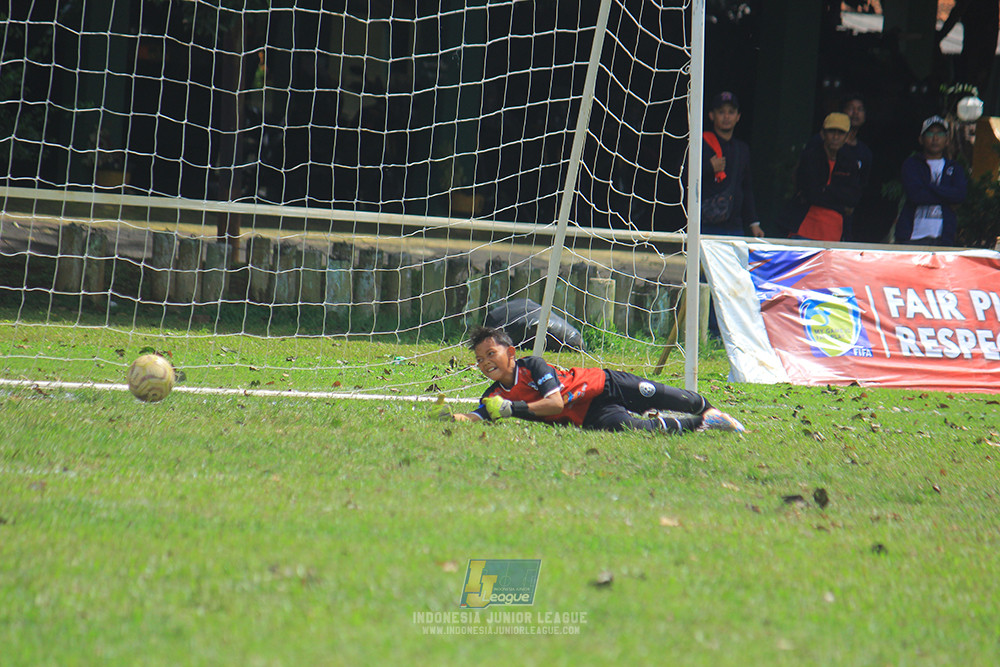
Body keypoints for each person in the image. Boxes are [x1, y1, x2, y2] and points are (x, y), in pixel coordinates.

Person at [430, 326, 745, 434]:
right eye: (480, 360)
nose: (485, 363)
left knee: (673, 397)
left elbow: (554, 403)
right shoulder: (493, 395)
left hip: (604, 383)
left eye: (491, 354)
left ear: (511, 352)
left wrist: (514, 410)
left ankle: (708, 409)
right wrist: (450, 417)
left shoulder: (534, 366)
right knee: (636, 430)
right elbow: (478, 415)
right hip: (589, 415)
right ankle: (706, 424)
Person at [785, 112, 862, 242]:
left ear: (847, 137)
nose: (835, 137)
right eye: (831, 132)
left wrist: (825, 190)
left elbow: (853, 198)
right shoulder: (810, 157)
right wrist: (839, 198)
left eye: (840, 133)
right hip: (804, 229)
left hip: (835, 232)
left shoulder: (851, 163)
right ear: (823, 134)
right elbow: (811, 193)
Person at [806, 95, 874, 241]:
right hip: (809, 221)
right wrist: (838, 197)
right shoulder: (816, 146)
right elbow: (810, 189)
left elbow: (857, 192)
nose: (855, 113)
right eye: (851, 108)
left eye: (860, 109)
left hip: (841, 222)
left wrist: (831, 192)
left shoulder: (864, 153)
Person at [894, 115, 968, 246]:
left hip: (943, 238)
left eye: (940, 134)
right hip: (911, 237)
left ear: (947, 140)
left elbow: (960, 195)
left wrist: (928, 187)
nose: (935, 138)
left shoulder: (955, 168)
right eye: (930, 134)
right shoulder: (912, 164)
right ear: (921, 139)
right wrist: (948, 197)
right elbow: (915, 195)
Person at [701, 91, 764, 237]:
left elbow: (746, 187)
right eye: (721, 112)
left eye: (731, 112)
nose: (726, 117)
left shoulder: (741, 149)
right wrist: (708, 167)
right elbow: (682, 176)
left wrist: (754, 223)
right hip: (706, 225)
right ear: (711, 115)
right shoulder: (701, 143)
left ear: (738, 117)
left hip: (735, 227)